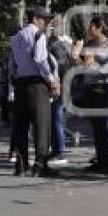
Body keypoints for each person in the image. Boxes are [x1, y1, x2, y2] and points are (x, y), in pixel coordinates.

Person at [10, 7, 59, 177]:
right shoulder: (39, 35)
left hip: (20, 83)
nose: (47, 24)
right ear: (36, 19)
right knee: (42, 125)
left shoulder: (16, 37)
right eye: (45, 20)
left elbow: (13, 63)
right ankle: (40, 164)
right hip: (37, 84)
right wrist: (51, 80)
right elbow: (40, 59)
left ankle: (21, 164)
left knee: (21, 126)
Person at [73, 16, 108, 174]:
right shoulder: (88, 45)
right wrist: (77, 58)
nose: (89, 29)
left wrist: (100, 69)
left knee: (105, 127)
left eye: (92, 27)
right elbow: (83, 65)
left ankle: (106, 162)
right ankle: (99, 159)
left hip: (104, 88)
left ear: (100, 28)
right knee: (96, 127)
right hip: (90, 88)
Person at [48, 32, 74, 164]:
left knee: (57, 119)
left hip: (60, 86)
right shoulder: (60, 47)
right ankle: (57, 150)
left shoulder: (55, 46)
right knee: (57, 119)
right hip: (64, 85)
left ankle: (59, 151)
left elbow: (60, 66)